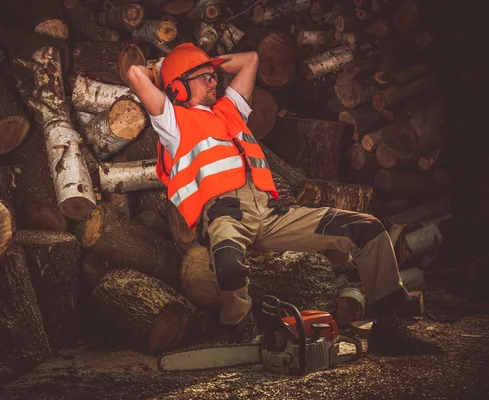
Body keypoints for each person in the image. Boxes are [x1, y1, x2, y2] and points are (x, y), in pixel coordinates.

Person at [126, 42, 441, 355]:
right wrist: (170, 71)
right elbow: (134, 73)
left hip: (271, 212)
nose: (213, 81)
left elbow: (251, 59)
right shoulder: (173, 123)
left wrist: (208, 63)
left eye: (213, 76)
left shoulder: (229, 111)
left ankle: (387, 327)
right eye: (203, 77)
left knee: (366, 228)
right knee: (228, 263)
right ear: (179, 89)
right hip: (225, 215)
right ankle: (240, 329)